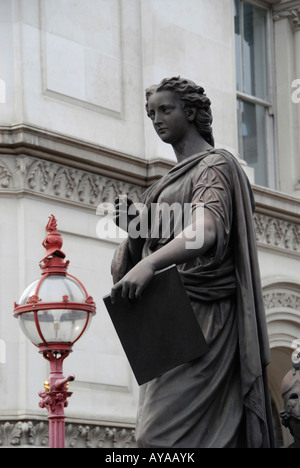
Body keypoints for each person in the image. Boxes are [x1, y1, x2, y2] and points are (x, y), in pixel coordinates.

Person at [110, 76, 275, 448]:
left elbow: (207, 229)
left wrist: (150, 264)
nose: (157, 119)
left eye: (165, 109)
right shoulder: (162, 185)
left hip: (206, 321)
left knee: (158, 437)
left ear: (192, 111)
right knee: (153, 436)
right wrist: (137, 231)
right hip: (168, 323)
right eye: (151, 113)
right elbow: (129, 264)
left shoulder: (214, 166)